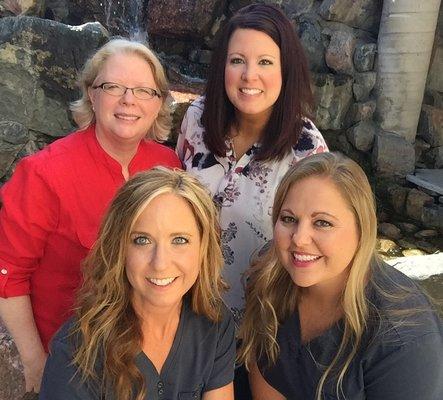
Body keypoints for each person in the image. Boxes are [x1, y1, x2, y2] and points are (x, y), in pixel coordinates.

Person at [0, 39, 181, 393]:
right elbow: (7, 274)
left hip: (151, 360)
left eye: (144, 90)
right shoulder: (43, 173)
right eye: (112, 87)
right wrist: (36, 363)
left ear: (159, 103)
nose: (129, 100)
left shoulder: (169, 166)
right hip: (73, 366)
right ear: (91, 94)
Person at [239, 152, 443, 400]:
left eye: (323, 223)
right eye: (289, 219)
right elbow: (263, 370)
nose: (299, 239)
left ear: (362, 229)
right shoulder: (268, 272)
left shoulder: (405, 341)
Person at [176, 3, 328, 323]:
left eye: (265, 62)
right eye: (237, 61)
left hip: (262, 325)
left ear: (285, 70)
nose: (249, 75)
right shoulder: (197, 120)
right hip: (186, 313)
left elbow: (321, 244)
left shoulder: (306, 148)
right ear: (222, 67)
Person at [39, 167, 235, 400]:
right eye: (142, 240)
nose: (160, 263)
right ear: (119, 249)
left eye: (180, 240)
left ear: (204, 248)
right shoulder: (76, 353)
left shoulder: (214, 323)